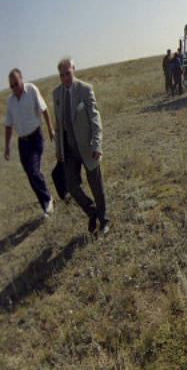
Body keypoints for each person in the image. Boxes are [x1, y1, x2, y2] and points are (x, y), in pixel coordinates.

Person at [53, 57, 109, 236]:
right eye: (62, 75)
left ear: (73, 70)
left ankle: (104, 220)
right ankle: (91, 211)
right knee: (71, 186)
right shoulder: (57, 94)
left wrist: (96, 144)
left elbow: (95, 119)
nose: (65, 78)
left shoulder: (85, 89)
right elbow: (58, 124)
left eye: (68, 74)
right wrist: (59, 150)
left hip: (88, 148)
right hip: (69, 150)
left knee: (96, 186)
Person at [4, 68, 55, 219]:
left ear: (22, 80)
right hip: (22, 142)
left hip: (35, 138)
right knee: (30, 175)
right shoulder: (10, 101)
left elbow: (44, 109)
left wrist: (50, 128)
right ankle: (45, 205)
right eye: (11, 85)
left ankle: (48, 200)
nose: (14, 88)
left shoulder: (31, 90)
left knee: (34, 171)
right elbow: (8, 125)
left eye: (16, 83)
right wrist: (7, 147)